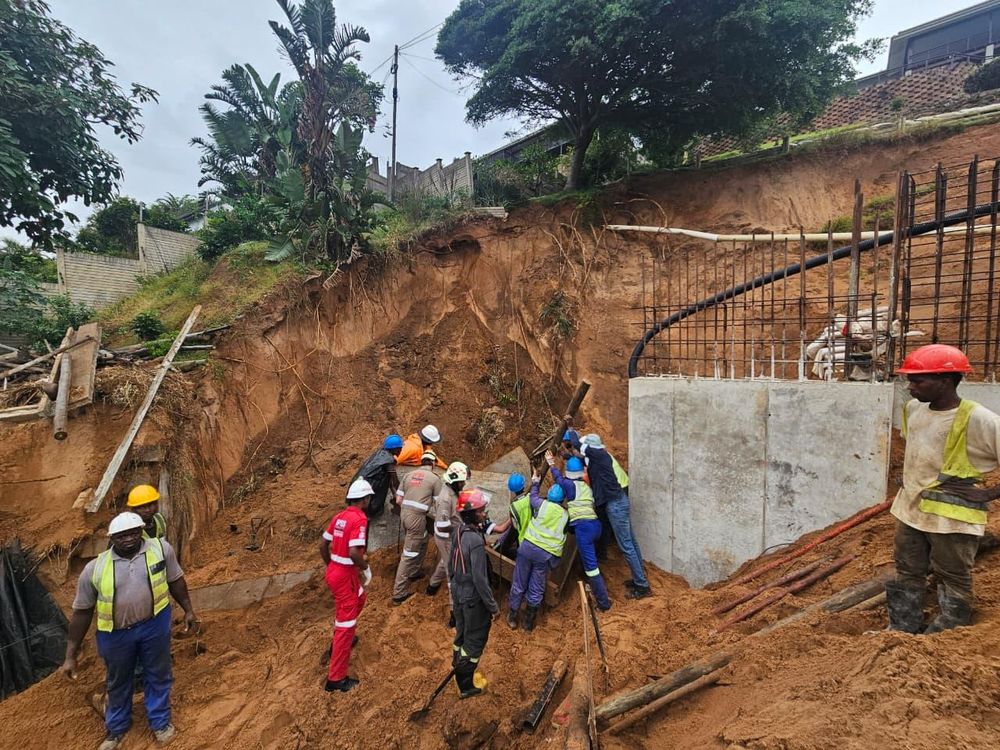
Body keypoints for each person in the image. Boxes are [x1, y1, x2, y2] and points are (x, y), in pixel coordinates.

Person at [886, 344, 1000, 634]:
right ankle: (901, 630)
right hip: (911, 510)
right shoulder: (913, 409)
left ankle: (944, 636)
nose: (910, 387)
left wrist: (989, 493)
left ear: (946, 381)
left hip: (951, 518)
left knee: (953, 576)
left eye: (918, 380)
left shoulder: (978, 418)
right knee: (907, 570)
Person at [61, 512, 198, 750]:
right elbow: (82, 613)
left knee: (158, 674)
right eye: (121, 536)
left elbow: (176, 580)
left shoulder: (160, 550)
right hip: (115, 635)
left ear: (142, 530)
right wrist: (70, 654)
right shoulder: (95, 569)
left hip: (154, 624)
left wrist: (188, 610)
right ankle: (117, 728)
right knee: (118, 681)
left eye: (133, 533)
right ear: (112, 538)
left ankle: (160, 722)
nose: (128, 539)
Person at [566, 421, 652, 599]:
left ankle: (642, 586)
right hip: (619, 501)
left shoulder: (597, 454)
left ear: (592, 448)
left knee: (626, 546)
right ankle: (640, 578)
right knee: (631, 542)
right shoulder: (600, 457)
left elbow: (577, 444)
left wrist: (570, 428)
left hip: (616, 505)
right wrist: (569, 456)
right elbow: (581, 457)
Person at [320, 479, 373, 692]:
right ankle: (336, 679)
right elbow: (353, 552)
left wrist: (332, 564)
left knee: (360, 597)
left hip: (338, 571)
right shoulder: (359, 519)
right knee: (346, 624)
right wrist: (365, 567)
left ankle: (343, 640)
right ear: (365, 500)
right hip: (345, 574)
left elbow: (323, 545)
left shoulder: (339, 516)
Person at [448, 488, 499, 698]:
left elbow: (451, 565)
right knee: (475, 640)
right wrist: (493, 607)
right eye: (481, 511)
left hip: (459, 594)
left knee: (461, 635)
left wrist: (454, 593)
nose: (485, 513)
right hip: (472, 599)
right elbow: (480, 579)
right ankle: (466, 685)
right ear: (471, 514)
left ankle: (458, 666)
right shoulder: (476, 542)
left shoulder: (458, 531)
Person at [547, 451, 612, 612]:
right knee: (589, 557)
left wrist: (551, 464)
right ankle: (587, 573)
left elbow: (558, 479)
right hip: (595, 526)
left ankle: (604, 603)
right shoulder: (586, 486)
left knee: (592, 567)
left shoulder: (570, 485)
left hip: (584, 529)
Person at [507, 469, 568, 631]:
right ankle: (528, 623)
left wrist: (535, 481)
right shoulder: (565, 515)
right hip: (544, 555)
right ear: (562, 500)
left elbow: (533, 496)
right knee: (536, 587)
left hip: (527, 548)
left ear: (549, 496)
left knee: (519, 582)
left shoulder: (541, 504)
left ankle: (512, 617)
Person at [391, 451, 443, 604]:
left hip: (404, 514)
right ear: (433, 464)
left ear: (422, 462)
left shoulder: (408, 475)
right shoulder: (434, 479)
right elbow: (439, 504)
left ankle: (414, 572)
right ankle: (399, 593)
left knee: (424, 539)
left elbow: (398, 499)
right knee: (409, 553)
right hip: (416, 517)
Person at [427, 462, 469, 626]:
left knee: (445, 562)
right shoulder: (445, 498)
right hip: (446, 538)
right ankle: (454, 613)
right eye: (462, 481)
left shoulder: (453, 491)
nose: (464, 484)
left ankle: (432, 586)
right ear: (455, 481)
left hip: (451, 535)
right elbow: (442, 525)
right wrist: (461, 528)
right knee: (453, 574)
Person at [352, 434, 403, 518]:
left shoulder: (379, 453)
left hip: (356, 485)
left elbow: (390, 479)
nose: (401, 450)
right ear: (395, 449)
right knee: (376, 503)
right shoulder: (388, 460)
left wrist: (394, 493)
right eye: (400, 448)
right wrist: (402, 494)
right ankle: (371, 511)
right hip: (367, 488)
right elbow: (395, 481)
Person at [492, 473, 533, 559]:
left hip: (522, 540)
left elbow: (514, 526)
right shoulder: (532, 498)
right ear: (523, 485)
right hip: (534, 537)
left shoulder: (513, 506)